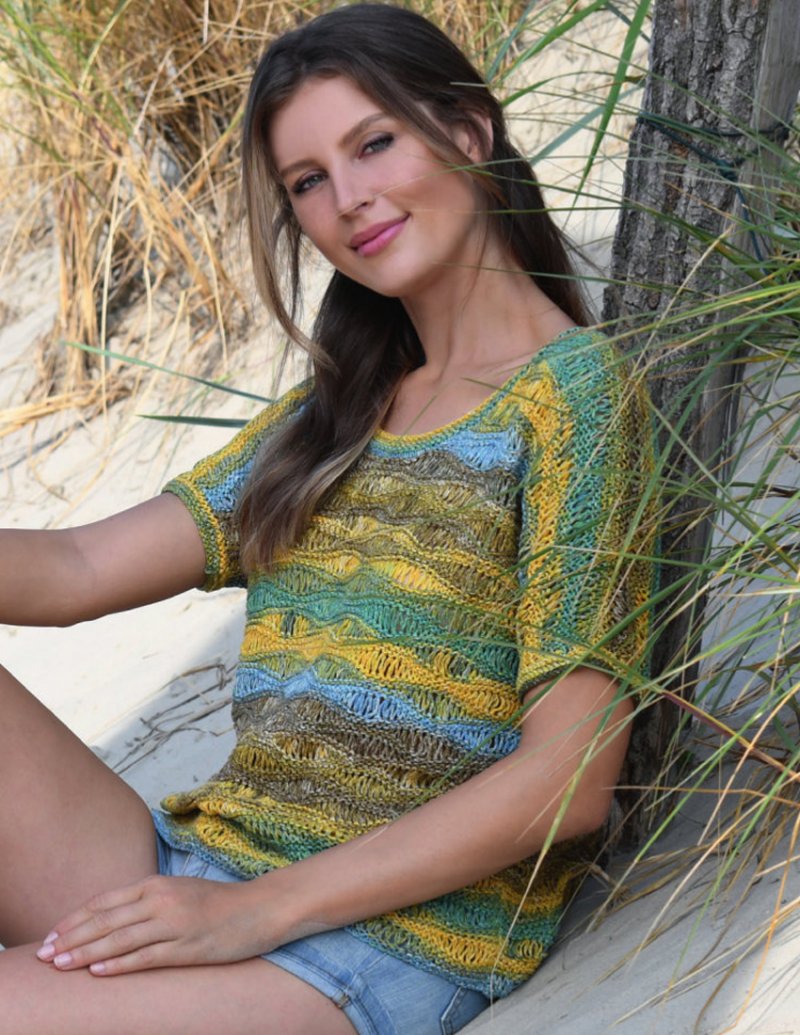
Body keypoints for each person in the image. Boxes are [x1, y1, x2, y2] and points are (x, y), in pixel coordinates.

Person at [0, 5, 656, 1034]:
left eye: (373, 144)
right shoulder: (336, 415)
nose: (348, 199)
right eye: (308, 181)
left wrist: (257, 911)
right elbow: (80, 566)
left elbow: (567, 779)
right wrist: (224, 902)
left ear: (468, 130)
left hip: (371, 946)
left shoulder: (573, 397)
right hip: (198, 877)